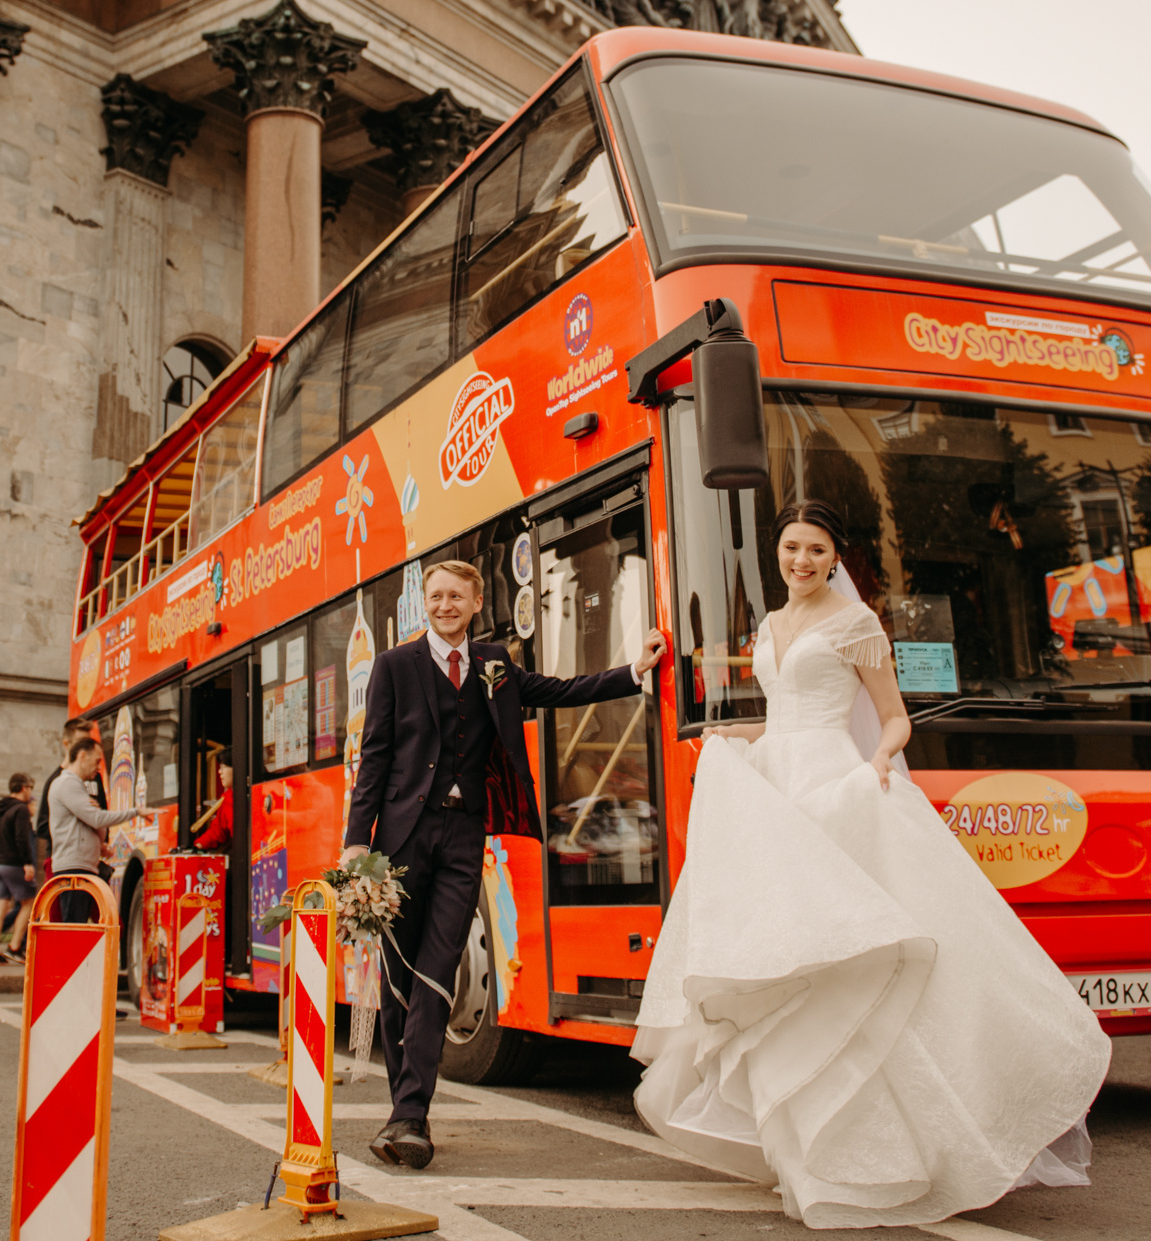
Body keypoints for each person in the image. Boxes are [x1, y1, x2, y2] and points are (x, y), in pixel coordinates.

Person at [633, 500, 1111, 1228]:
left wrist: (884, 759)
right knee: (787, 970)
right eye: (792, 547)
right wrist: (730, 740)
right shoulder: (768, 625)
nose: (801, 560)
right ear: (779, 551)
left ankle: (886, 1148)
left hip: (837, 791)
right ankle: (799, 1153)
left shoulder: (857, 625)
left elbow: (893, 714)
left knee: (850, 967)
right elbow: (783, 713)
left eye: (815, 550)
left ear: (834, 558)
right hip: (777, 793)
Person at [340, 559, 667, 1171]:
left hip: (465, 838)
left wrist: (633, 672)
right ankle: (402, 1105)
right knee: (398, 976)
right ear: (426, 605)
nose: (443, 606)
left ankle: (412, 1116)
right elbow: (375, 756)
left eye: (454, 597)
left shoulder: (495, 664)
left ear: (474, 602)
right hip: (403, 842)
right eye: (434, 597)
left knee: (438, 969)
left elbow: (561, 691)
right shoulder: (393, 667)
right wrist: (358, 844)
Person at [47, 735, 151, 924]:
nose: (98, 768)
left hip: (81, 867)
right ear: (82, 756)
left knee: (89, 925)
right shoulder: (67, 784)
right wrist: (136, 811)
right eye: (96, 761)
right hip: (75, 869)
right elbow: (97, 819)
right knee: (76, 928)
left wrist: (98, 843)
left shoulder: (73, 785)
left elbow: (91, 821)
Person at [0, 772, 36, 964]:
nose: (30, 792)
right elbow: (22, 838)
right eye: (30, 788)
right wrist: (27, 863)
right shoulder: (21, 810)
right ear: (23, 787)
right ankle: (14, 947)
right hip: (13, 863)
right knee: (28, 902)